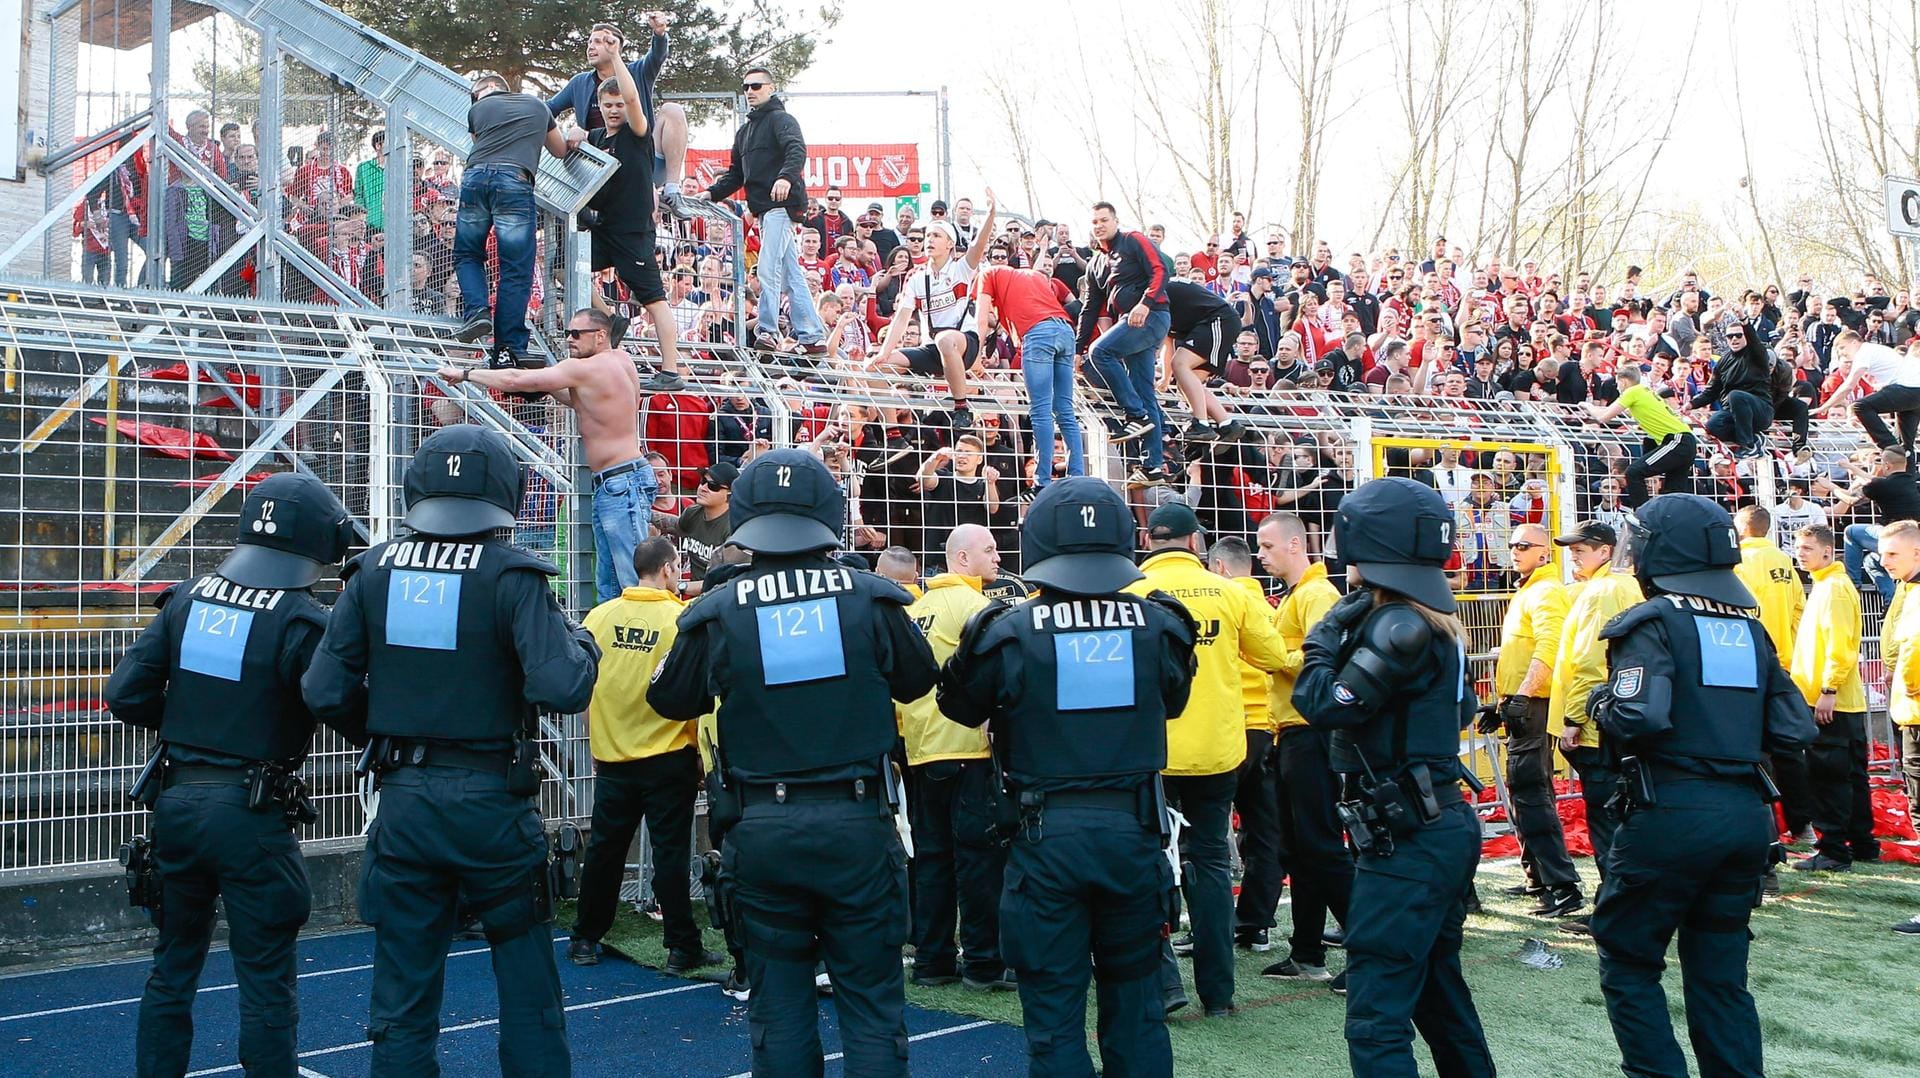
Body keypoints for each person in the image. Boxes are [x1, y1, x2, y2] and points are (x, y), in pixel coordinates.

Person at [303, 424, 602, 1077]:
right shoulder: (512, 574)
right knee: (526, 986)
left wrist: (387, 738)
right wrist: (581, 642)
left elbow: (324, 690)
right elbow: (563, 686)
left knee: (403, 998)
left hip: (404, 802)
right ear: (506, 495)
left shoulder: (373, 570)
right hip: (492, 804)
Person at [647, 449, 939, 1077]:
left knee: (779, 1014)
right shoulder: (871, 597)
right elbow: (919, 681)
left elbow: (669, 696)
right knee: (872, 1013)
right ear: (829, 516)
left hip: (762, 829)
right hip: (858, 823)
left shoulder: (718, 609)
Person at [938, 476, 1199, 1077]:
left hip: (1043, 836)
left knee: (1053, 1016)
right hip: (1133, 832)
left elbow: (958, 706)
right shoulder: (1160, 625)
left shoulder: (1006, 630)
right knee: (1137, 1010)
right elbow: (1175, 700)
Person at [105, 474, 359, 1078]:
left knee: (173, 965)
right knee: (266, 976)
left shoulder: (187, 598)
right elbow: (341, 706)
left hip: (175, 803)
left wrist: (194, 726)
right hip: (250, 814)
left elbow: (124, 695)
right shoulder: (303, 620)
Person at [1587, 494, 1817, 1078]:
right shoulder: (1749, 628)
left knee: (1628, 958)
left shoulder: (1652, 622)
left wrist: (1602, 702)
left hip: (1670, 811)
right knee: (1720, 977)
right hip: (1746, 816)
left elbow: (1638, 716)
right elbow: (1793, 728)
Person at [1291, 477, 1495, 1077]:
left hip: (1412, 838)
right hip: (1431, 826)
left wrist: (1322, 645)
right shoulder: (1431, 622)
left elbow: (1324, 705)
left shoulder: (1397, 625)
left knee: (1377, 1015)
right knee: (1438, 994)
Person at [1130, 501, 1285, 1018]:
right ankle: (1219, 993)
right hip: (1218, 751)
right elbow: (1272, 657)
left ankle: (1163, 983)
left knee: (1151, 862)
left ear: (1149, 541)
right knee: (1211, 863)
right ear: (1197, 543)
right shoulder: (1230, 592)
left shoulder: (1130, 594)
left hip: (1154, 750)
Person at [569, 537, 722, 971]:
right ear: (671, 568)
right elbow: (694, 690)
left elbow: (586, 686)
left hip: (614, 755)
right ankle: (681, 946)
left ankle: (585, 937)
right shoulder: (681, 619)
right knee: (672, 853)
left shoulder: (600, 616)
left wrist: (596, 738)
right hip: (668, 753)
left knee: (604, 851)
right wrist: (697, 752)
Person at [439, 307, 654, 604]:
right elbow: (592, 402)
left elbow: (514, 380)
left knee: (630, 578)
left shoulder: (584, 368)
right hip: (620, 479)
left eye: (577, 334)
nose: (569, 340)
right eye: (567, 333)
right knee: (610, 579)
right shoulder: (621, 360)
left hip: (621, 481)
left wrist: (465, 374)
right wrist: (551, 388)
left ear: (601, 335)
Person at [897, 524, 1014, 991]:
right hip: (968, 749)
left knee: (932, 860)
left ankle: (933, 961)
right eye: (988, 549)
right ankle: (984, 963)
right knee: (978, 861)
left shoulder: (915, 611)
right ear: (961, 559)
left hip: (923, 750)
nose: (998, 556)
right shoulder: (977, 608)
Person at [1252, 512, 1352, 984]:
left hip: (1309, 731)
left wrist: (1271, 656)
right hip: (1293, 731)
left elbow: (1320, 660)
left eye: (1268, 547)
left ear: (1296, 545)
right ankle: (1307, 952)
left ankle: (1368, 950)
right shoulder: (1303, 595)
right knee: (1301, 847)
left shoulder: (1316, 594)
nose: (1261, 555)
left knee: (1320, 844)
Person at [1545, 521, 1642, 934]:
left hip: (1597, 727)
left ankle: (1614, 910)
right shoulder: (1627, 588)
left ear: (1605, 551)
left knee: (1607, 823)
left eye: (1581, 549)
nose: (1573, 556)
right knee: (1624, 819)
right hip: (1622, 721)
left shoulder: (1601, 592)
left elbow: (1588, 661)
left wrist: (1573, 719)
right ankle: (1629, 905)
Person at [1482, 522, 1583, 917]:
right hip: (1525, 702)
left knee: (1530, 791)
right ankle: (1540, 877)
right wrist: (1505, 700)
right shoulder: (1533, 590)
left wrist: (1522, 694)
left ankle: (1561, 885)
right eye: (1512, 544)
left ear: (1544, 552)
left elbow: (1550, 645)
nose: (1515, 550)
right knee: (1527, 790)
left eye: (1523, 545)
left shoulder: (1545, 591)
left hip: (1534, 705)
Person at [570, 48, 685, 391]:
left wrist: (616, 57)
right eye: (609, 105)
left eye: (620, 104)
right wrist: (574, 134)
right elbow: (571, 140)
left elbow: (634, 97)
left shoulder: (637, 134)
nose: (615, 109)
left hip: (634, 233)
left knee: (654, 299)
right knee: (564, 267)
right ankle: (610, 319)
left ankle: (671, 371)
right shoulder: (599, 137)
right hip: (605, 228)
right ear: (600, 107)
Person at [696, 67, 828, 354]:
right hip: (764, 210)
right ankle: (811, 334)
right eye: (746, 87)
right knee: (791, 274)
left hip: (781, 205)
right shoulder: (744, 133)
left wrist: (785, 177)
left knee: (768, 269)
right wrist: (710, 193)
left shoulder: (782, 119)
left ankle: (767, 330)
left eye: (756, 85)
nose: (750, 91)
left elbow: (797, 150)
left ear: (771, 87)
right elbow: (735, 175)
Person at [453, 73, 571, 369]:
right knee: (516, 268)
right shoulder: (537, 105)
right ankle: (509, 347)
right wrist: (575, 136)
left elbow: (478, 143)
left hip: (475, 178)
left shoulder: (477, 110)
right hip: (515, 181)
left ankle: (477, 311)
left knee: (468, 253)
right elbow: (560, 150)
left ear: (483, 92)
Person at [1205, 536, 1283, 957]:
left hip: (1227, 723)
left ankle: (1208, 926)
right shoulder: (1268, 605)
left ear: (1218, 567)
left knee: (1209, 831)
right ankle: (1256, 923)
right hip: (1264, 727)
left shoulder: (1220, 601)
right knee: (1263, 830)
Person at [1787, 525, 1879, 872]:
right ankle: (1862, 843)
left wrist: (1828, 688)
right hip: (1841, 699)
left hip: (1831, 700)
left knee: (1828, 777)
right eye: (1799, 547)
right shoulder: (1830, 586)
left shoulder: (1834, 589)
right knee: (1850, 775)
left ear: (1828, 551)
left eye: (1808, 547)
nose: (1801, 553)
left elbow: (1841, 645)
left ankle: (1834, 851)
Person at [547, 16, 694, 215]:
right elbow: (548, 109)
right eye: (590, 41)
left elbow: (658, 55)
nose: (591, 46)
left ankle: (672, 192)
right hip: (600, 166)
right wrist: (571, 132)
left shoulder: (639, 71)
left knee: (672, 110)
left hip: (642, 162)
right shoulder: (579, 83)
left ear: (615, 46)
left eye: (599, 41)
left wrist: (659, 33)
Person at [1732, 505, 1814, 843]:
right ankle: (1803, 825)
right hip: (1784, 664)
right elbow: (1799, 610)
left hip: (1748, 665)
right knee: (1789, 751)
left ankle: (1766, 832)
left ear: (1741, 528)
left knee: (1754, 750)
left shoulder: (1736, 562)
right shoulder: (1784, 561)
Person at [1080, 202, 1176, 485]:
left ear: (1115, 221)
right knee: (1145, 392)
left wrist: (1145, 304)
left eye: (1104, 220)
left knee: (1101, 351)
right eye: (1094, 221)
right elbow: (1090, 306)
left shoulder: (1133, 240)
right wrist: (1076, 348)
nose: (1099, 225)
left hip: (1150, 316)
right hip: (1131, 325)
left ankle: (1134, 414)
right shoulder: (1098, 262)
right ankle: (1153, 465)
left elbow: (1161, 270)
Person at [974, 259, 1086, 484]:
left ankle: (1042, 478)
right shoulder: (1032, 275)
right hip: (1065, 330)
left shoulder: (987, 274)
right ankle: (1077, 475)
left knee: (1040, 410)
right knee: (1064, 408)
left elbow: (981, 318)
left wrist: (976, 357)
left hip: (1038, 333)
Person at [1585, 363, 1696, 507]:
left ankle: (1643, 514)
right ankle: (1666, 523)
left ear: (1623, 381)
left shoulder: (1632, 392)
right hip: (1685, 441)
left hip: (1677, 440)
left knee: (1633, 472)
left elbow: (1603, 417)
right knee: (1672, 493)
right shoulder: (1645, 392)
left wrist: (1587, 406)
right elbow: (1617, 412)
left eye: (1617, 383)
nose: (1617, 388)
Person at [1813, 329, 1920, 462]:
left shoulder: (1863, 352)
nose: (1841, 353)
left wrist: (1822, 408)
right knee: (1906, 446)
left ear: (1853, 342)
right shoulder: (1875, 350)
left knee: (1859, 406)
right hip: (1914, 393)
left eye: (1842, 347)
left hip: (1906, 389)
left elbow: (1848, 386)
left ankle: (1890, 447)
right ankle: (1905, 475)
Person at [1163, 278, 1248, 443]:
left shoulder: (1158, 291)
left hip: (1218, 320)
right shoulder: (1160, 296)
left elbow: (1168, 348)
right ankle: (1227, 424)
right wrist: (1165, 379)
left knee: (1180, 363)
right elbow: (1168, 344)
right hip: (1211, 324)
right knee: (1184, 382)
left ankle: (1200, 423)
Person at [1830, 447, 1920, 599]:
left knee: (1851, 532)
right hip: (1914, 537)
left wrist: (1830, 486)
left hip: (1895, 536)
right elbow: (1875, 481)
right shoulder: (1910, 480)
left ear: (1886, 466)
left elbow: (1851, 500)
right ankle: (1890, 600)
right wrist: (1851, 467)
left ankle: (1853, 585)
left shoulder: (1881, 485)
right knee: (1871, 561)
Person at [1687, 320, 1775, 457]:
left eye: (1739, 335)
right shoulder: (1723, 362)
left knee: (1736, 396)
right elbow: (1712, 391)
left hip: (1760, 409)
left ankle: (1748, 446)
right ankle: (1754, 439)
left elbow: (1755, 341)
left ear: (1746, 336)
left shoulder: (1757, 354)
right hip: (1734, 412)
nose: (1734, 339)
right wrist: (1692, 404)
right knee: (1713, 425)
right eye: (1730, 336)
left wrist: (1744, 321)